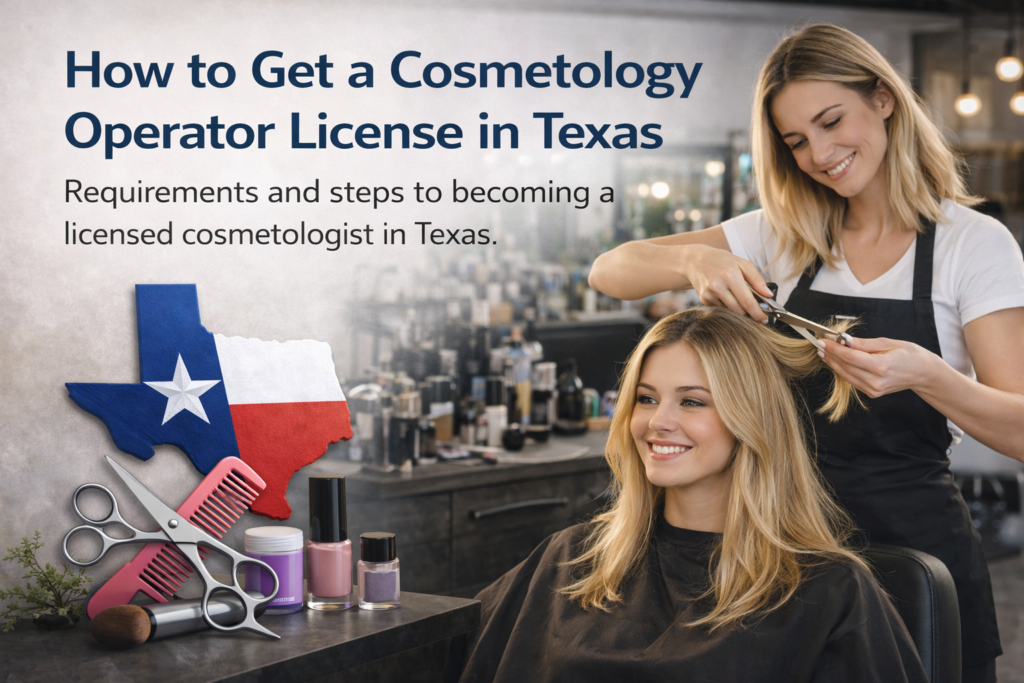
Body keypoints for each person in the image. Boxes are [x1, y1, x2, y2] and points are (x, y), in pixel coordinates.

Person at [588, 24, 1024, 682]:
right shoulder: (781, 236)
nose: (820, 154)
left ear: (882, 99)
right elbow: (609, 269)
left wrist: (928, 376)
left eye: (830, 121)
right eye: (796, 141)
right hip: (776, 553)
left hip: (912, 548)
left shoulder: (972, 244)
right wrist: (691, 256)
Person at [445, 307, 927, 683]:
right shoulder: (573, 557)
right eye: (647, 398)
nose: (658, 422)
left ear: (750, 420)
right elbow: (441, 645)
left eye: (692, 401)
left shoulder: (830, 593)